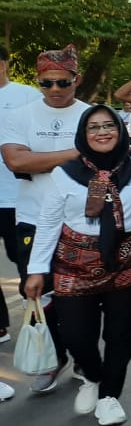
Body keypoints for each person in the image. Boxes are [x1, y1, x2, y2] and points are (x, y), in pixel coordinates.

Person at [24, 105, 131, 426]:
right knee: (76, 336)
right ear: (83, 135)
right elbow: (50, 221)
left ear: (121, 131)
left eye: (109, 125)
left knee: (120, 335)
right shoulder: (64, 173)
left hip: (127, 262)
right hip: (73, 265)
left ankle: (109, 396)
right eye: (93, 127)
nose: (102, 132)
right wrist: (36, 270)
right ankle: (93, 377)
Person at [1, 45, 91, 392]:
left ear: (76, 80)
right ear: (38, 80)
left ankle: (84, 357)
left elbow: (105, 158)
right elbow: (17, 163)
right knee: (38, 292)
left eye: (63, 82)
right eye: (47, 83)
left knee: (82, 295)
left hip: (81, 221)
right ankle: (54, 359)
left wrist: (40, 157)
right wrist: (79, 153)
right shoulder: (19, 116)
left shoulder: (91, 115)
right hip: (33, 219)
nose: (54, 89)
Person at [0, 45, 40, 343]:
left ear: (3, 65)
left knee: (24, 259)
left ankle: (39, 317)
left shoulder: (26, 95)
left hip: (18, 196)